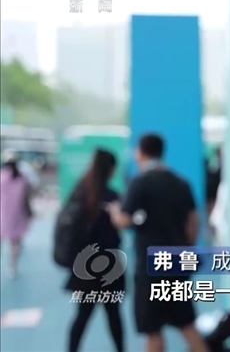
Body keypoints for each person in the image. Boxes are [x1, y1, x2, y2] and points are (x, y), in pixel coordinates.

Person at [107, 133, 208, 352]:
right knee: (186, 324)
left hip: (150, 266)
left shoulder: (140, 182)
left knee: (153, 330)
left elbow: (123, 219)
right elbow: (194, 220)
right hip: (177, 261)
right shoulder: (180, 183)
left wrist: (115, 212)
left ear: (141, 152)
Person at [63, 148, 124, 352]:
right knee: (113, 315)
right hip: (109, 267)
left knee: (82, 315)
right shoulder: (112, 197)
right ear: (111, 169)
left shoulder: (80, 193)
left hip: (84, 266)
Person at [0, 151, 33, 278]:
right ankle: (12, 266)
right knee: (15, 242)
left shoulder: (2, 176)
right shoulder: (22, 177)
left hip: (2, 214)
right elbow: (27, 194)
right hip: (17, 214)